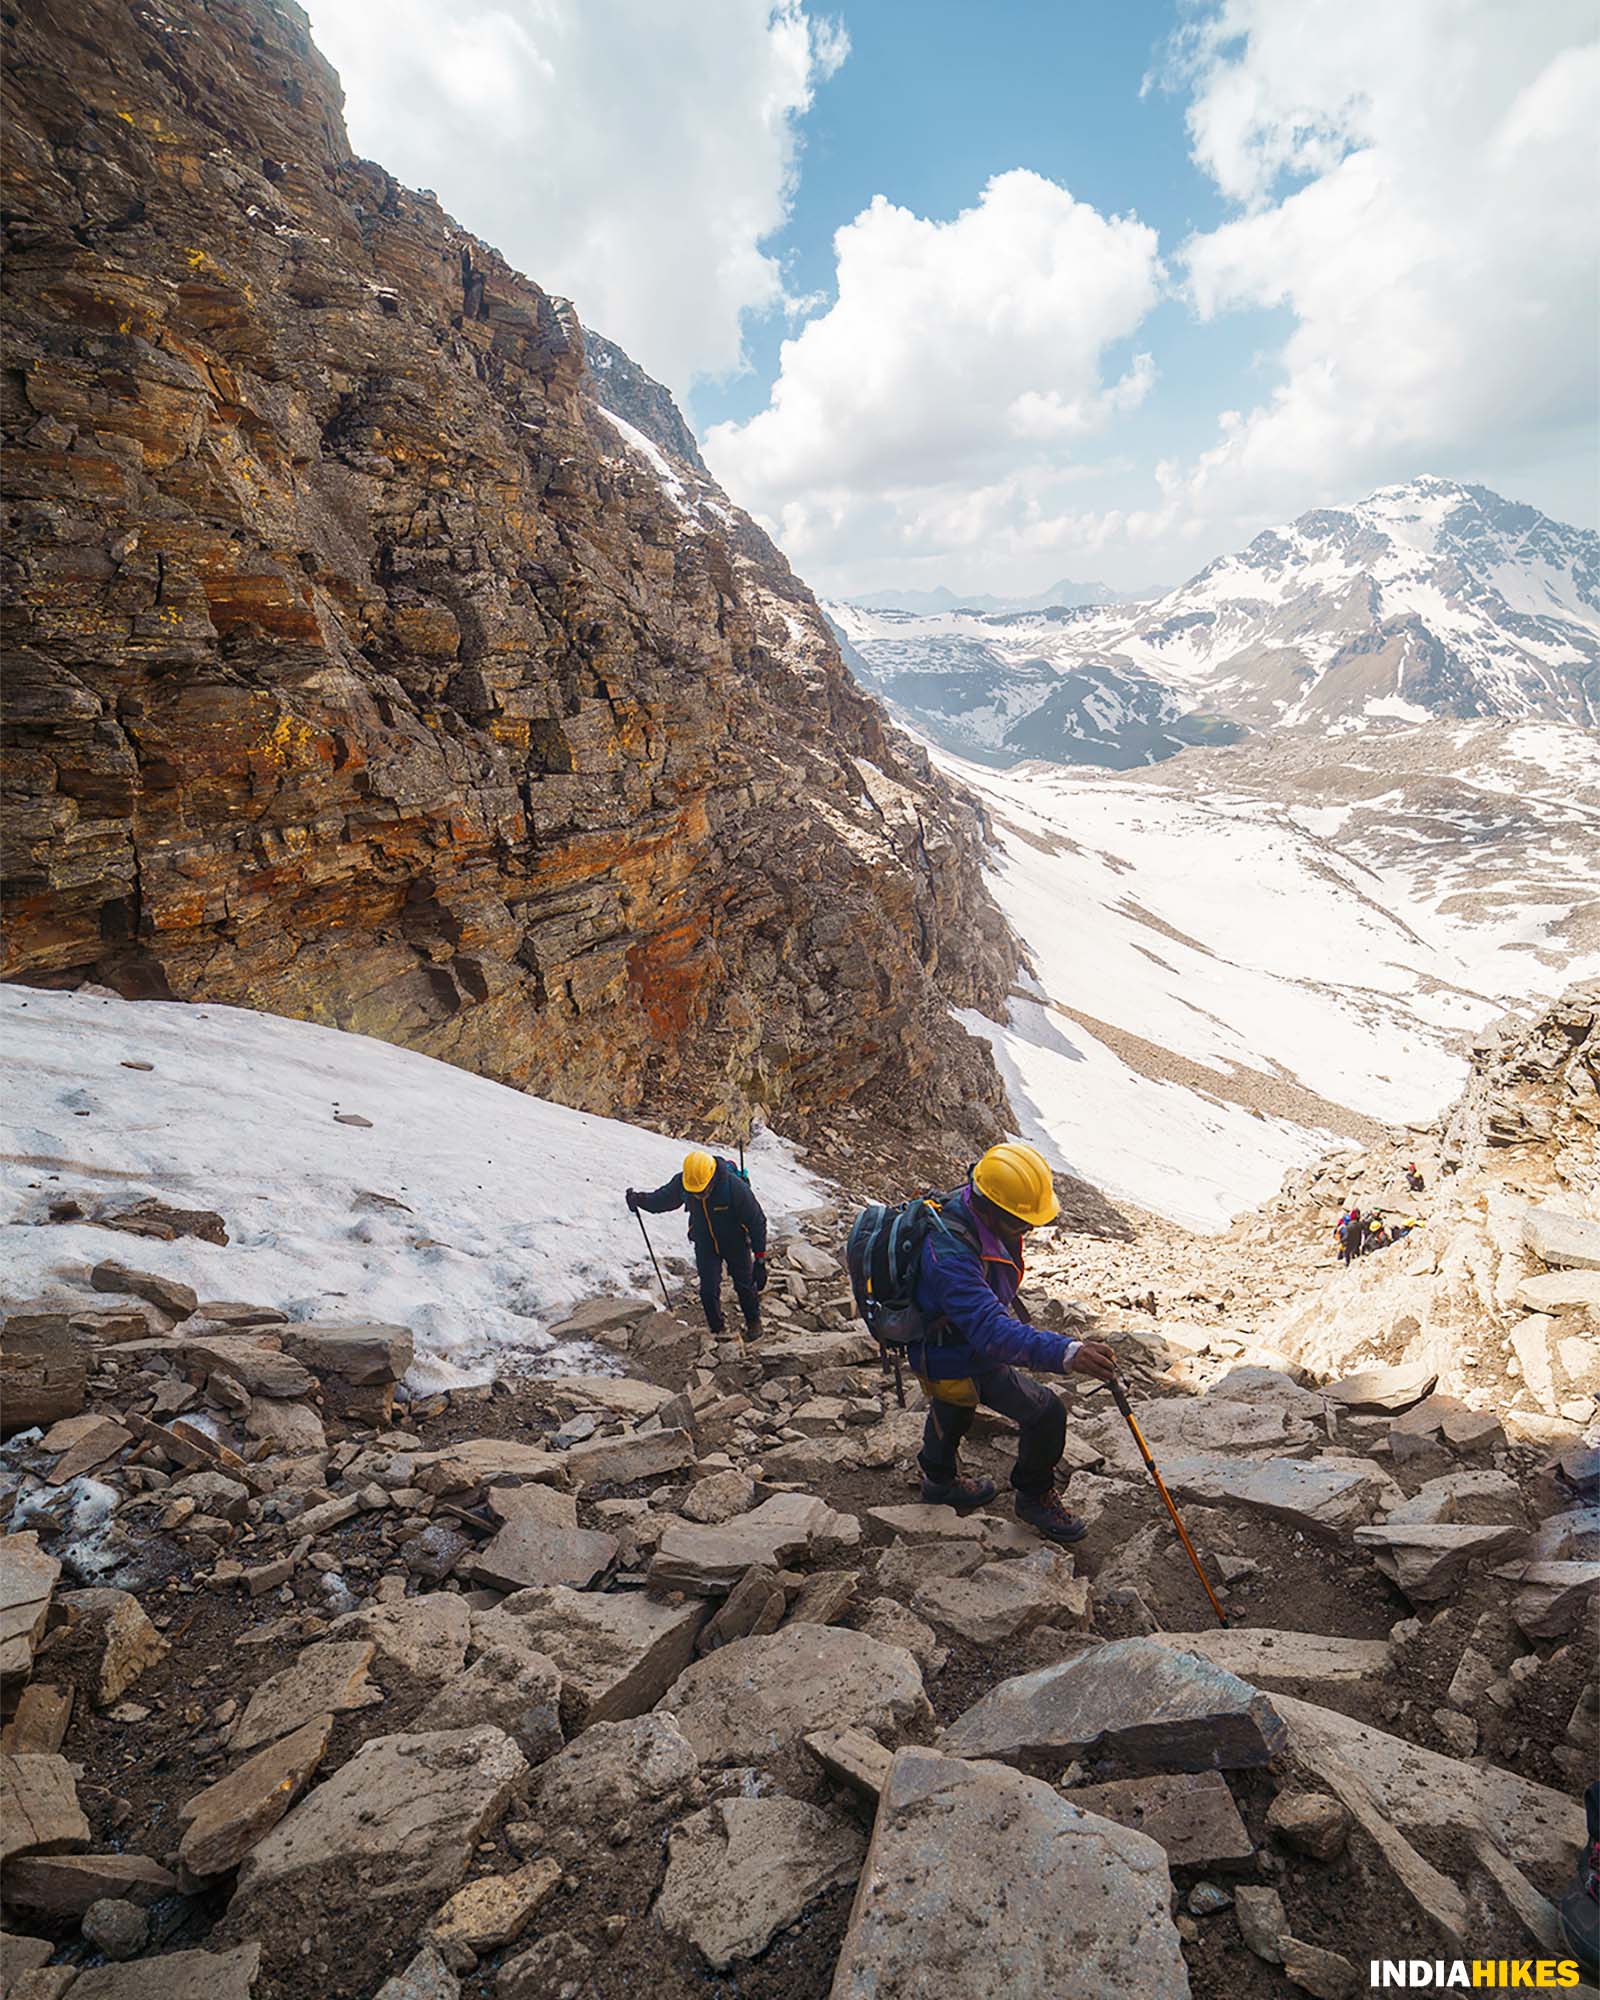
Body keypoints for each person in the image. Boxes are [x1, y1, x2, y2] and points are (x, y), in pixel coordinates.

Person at [908, 1140, 1118, 1546]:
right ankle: (1033, 1497)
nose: (1029, 1230)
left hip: (947, 1341)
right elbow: (992, 1334)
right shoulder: (949, 1254)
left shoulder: (977, 1205)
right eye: (1022, 1224)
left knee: (952, 1406)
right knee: (1044, 1412)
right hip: (951, 1350)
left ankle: (938, 1481)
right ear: (989, 1209)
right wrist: (1068, 1352)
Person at [627, 1151, 767, 1340]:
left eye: (702, 1191)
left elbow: (757, 1222)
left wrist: (760, 1260)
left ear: (711, 1178)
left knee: (745, 1285)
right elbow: (663, 1200)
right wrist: (640, 1200)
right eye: (695, 1193)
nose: (699, 1195)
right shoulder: (685, 1182)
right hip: (705, 1243)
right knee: (708, 1290)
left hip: (735, 1242)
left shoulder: (735, 1188)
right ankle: (717, 1331)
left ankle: (753, 1323)